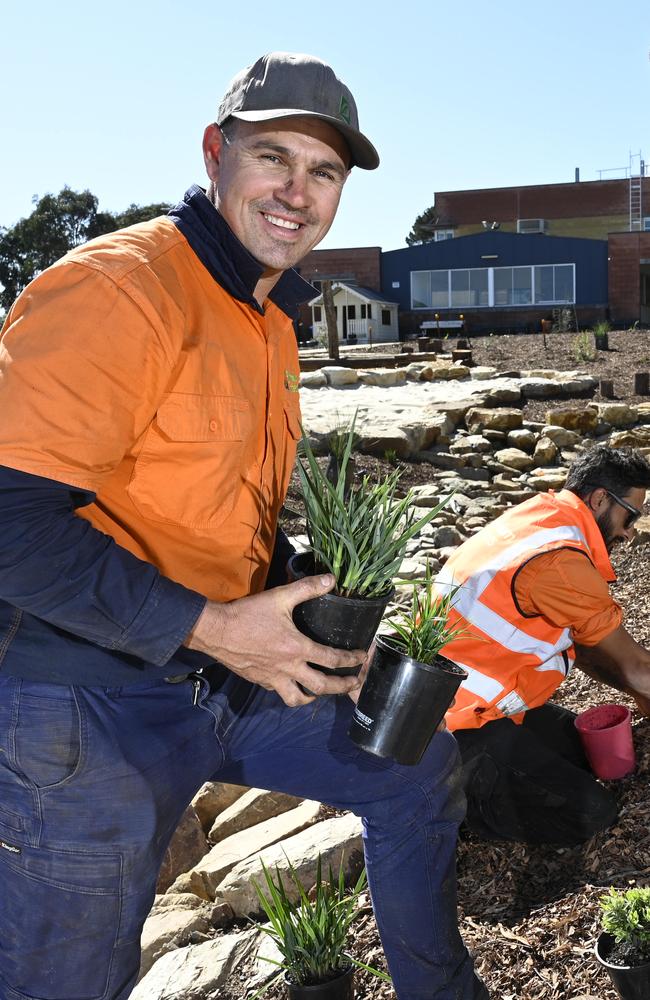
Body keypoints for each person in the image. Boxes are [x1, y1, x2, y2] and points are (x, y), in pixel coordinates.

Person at [0, 52, 489, 1000]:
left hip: (224, 675)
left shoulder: (266, 316)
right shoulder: (118, 290)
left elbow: (218, 505)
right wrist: (219, 628)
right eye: (274, 158)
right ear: (216, 153)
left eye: (325, 172)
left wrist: (313, 588)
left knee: (417, 765)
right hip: (84, 700)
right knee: (66, 977)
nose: (297, 193)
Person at [437, 445, 650, 846]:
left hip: (467, 703)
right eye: (631, 515)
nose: (630, 531)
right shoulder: (560, 561)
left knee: (587, 753)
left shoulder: (541, 518)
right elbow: (639, 669)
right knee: (592, 814)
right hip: (453, 728)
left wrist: (636, 690)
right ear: (600, 498)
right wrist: (641, 686)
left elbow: (589, 649)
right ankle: (454, 807)